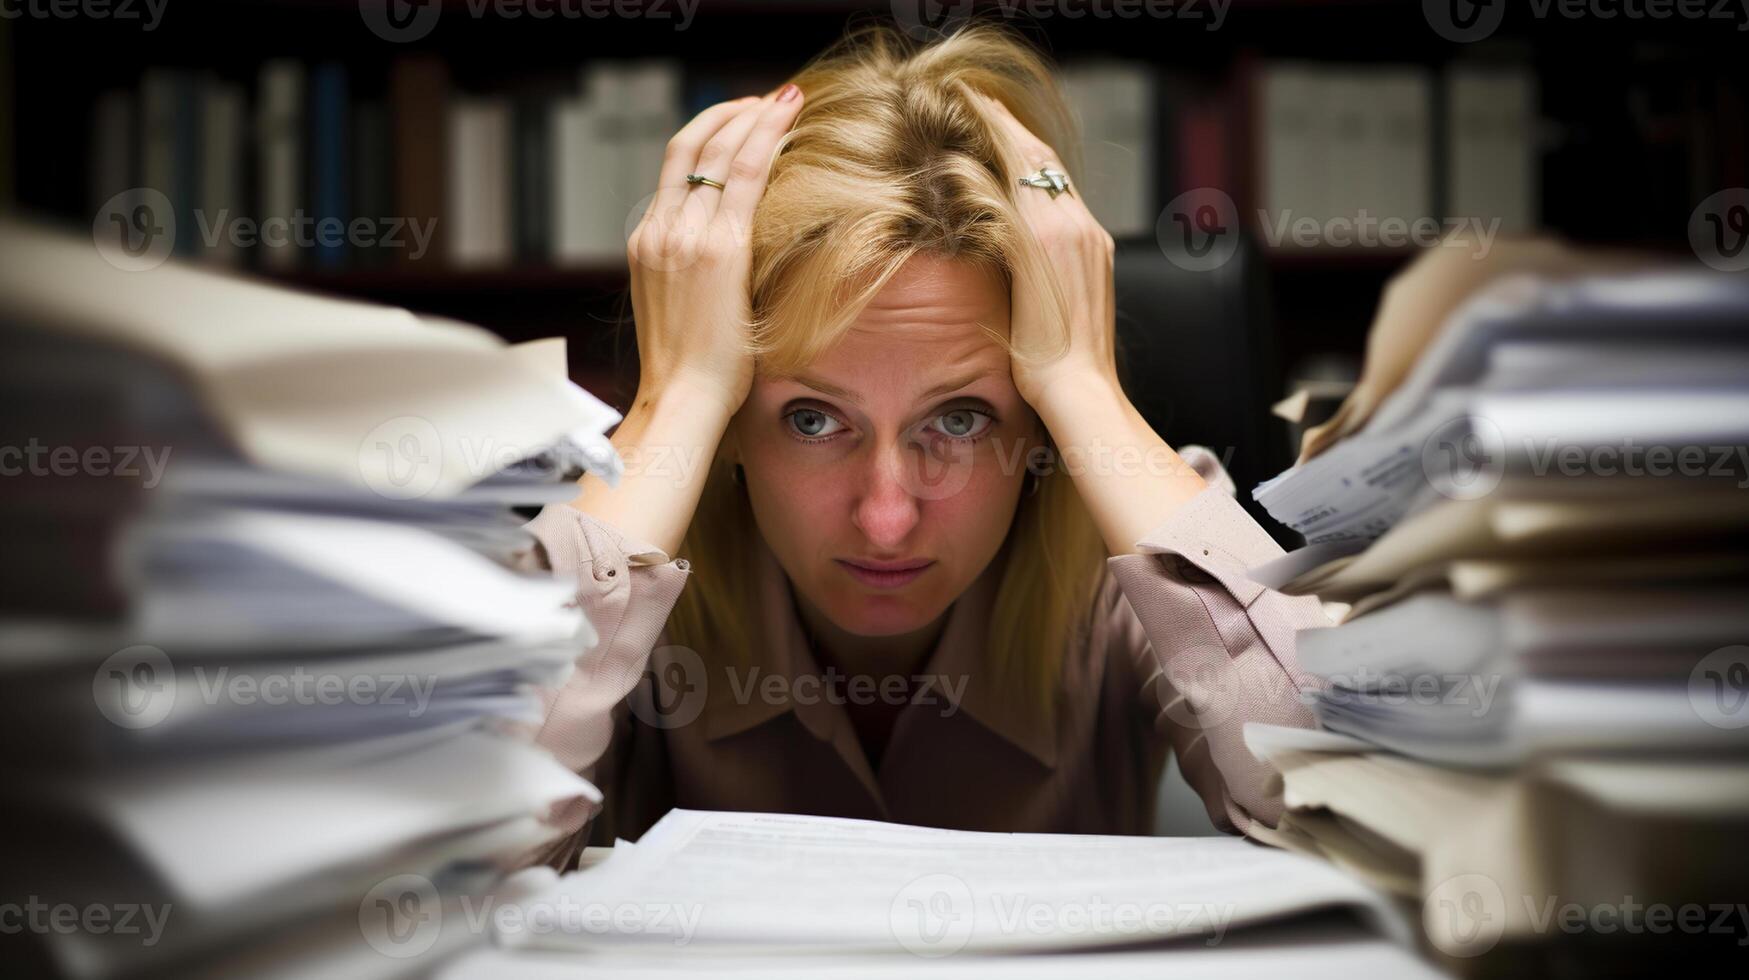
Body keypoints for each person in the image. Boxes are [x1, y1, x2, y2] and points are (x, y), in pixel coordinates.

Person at [513, 21, 1330, 872]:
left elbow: (1357, 808)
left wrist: (1087, 387)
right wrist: (674, 395)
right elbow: (453, 852)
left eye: (960, 418)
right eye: (811, 419)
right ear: (728, 428)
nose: (887, 518)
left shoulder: (1120, 563)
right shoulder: (636, 567)